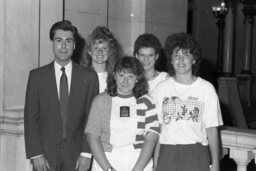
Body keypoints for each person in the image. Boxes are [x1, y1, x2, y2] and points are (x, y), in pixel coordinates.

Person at [24, 20, 99, 171]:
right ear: (52, 43)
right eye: (59, 41)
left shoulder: (89, 77)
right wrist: (36, 154)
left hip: (77, 157)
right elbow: (30, 118)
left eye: (68, 41)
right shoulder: (37, 77)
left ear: (75, 45)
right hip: (45, 157)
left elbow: (92, 118)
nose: (63, 46)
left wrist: (86, 153)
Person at [153, 33, 223, 171]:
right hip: (167, 154)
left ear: (194, 59)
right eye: (176, 55)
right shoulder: (161, 89)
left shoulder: (206, 89)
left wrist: (216, 164)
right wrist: (156, 162)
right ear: (171, 60)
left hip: (196, 154)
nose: (180, 60)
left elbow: (211, 130)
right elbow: (159, 131)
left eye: (186, 55)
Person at [85, 56, 160, 171]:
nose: (125, 81)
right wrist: (109, 169)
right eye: (121, 75)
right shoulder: (100, 100)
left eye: (130, 76)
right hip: (106, 163)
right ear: (114, 75)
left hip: (138, 163)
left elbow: (151, 139)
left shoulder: (146, 101)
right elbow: (92, 138)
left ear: (137, 78)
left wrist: (137, 169)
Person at [81, 26, 119, 93]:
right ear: (89, 51)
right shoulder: (81, 76)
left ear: (110, 51)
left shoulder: (116, 77)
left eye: (104, 48)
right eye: (96, 48)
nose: (100, 52)